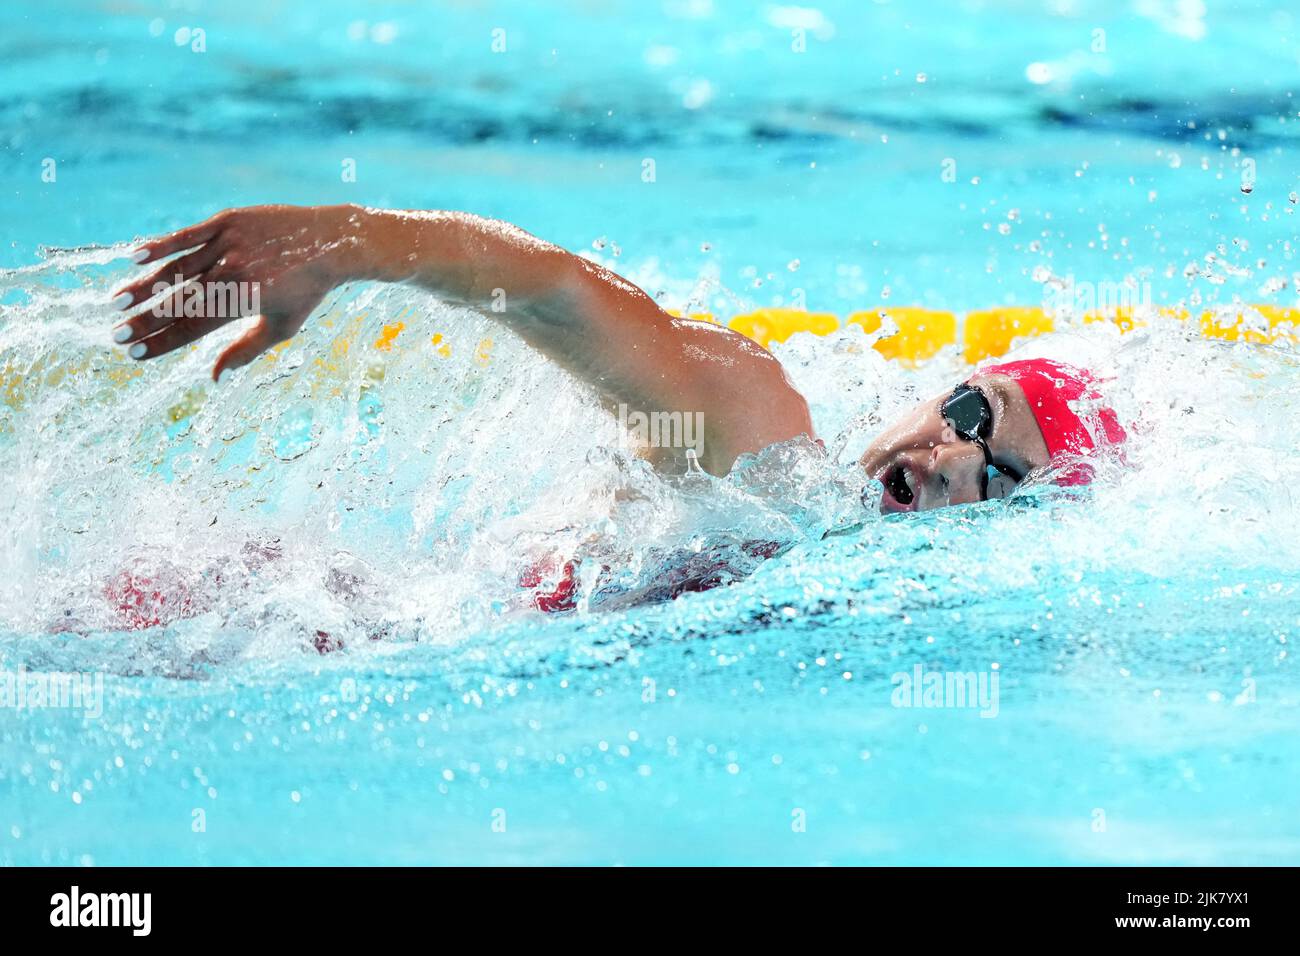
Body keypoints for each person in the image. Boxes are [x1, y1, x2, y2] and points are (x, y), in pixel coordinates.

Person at [110, 204, 1125, 519]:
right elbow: (562, 294)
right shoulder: (760, 443)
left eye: (1001, 477)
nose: (955, 459)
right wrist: (356, 243)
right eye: (971, 413)